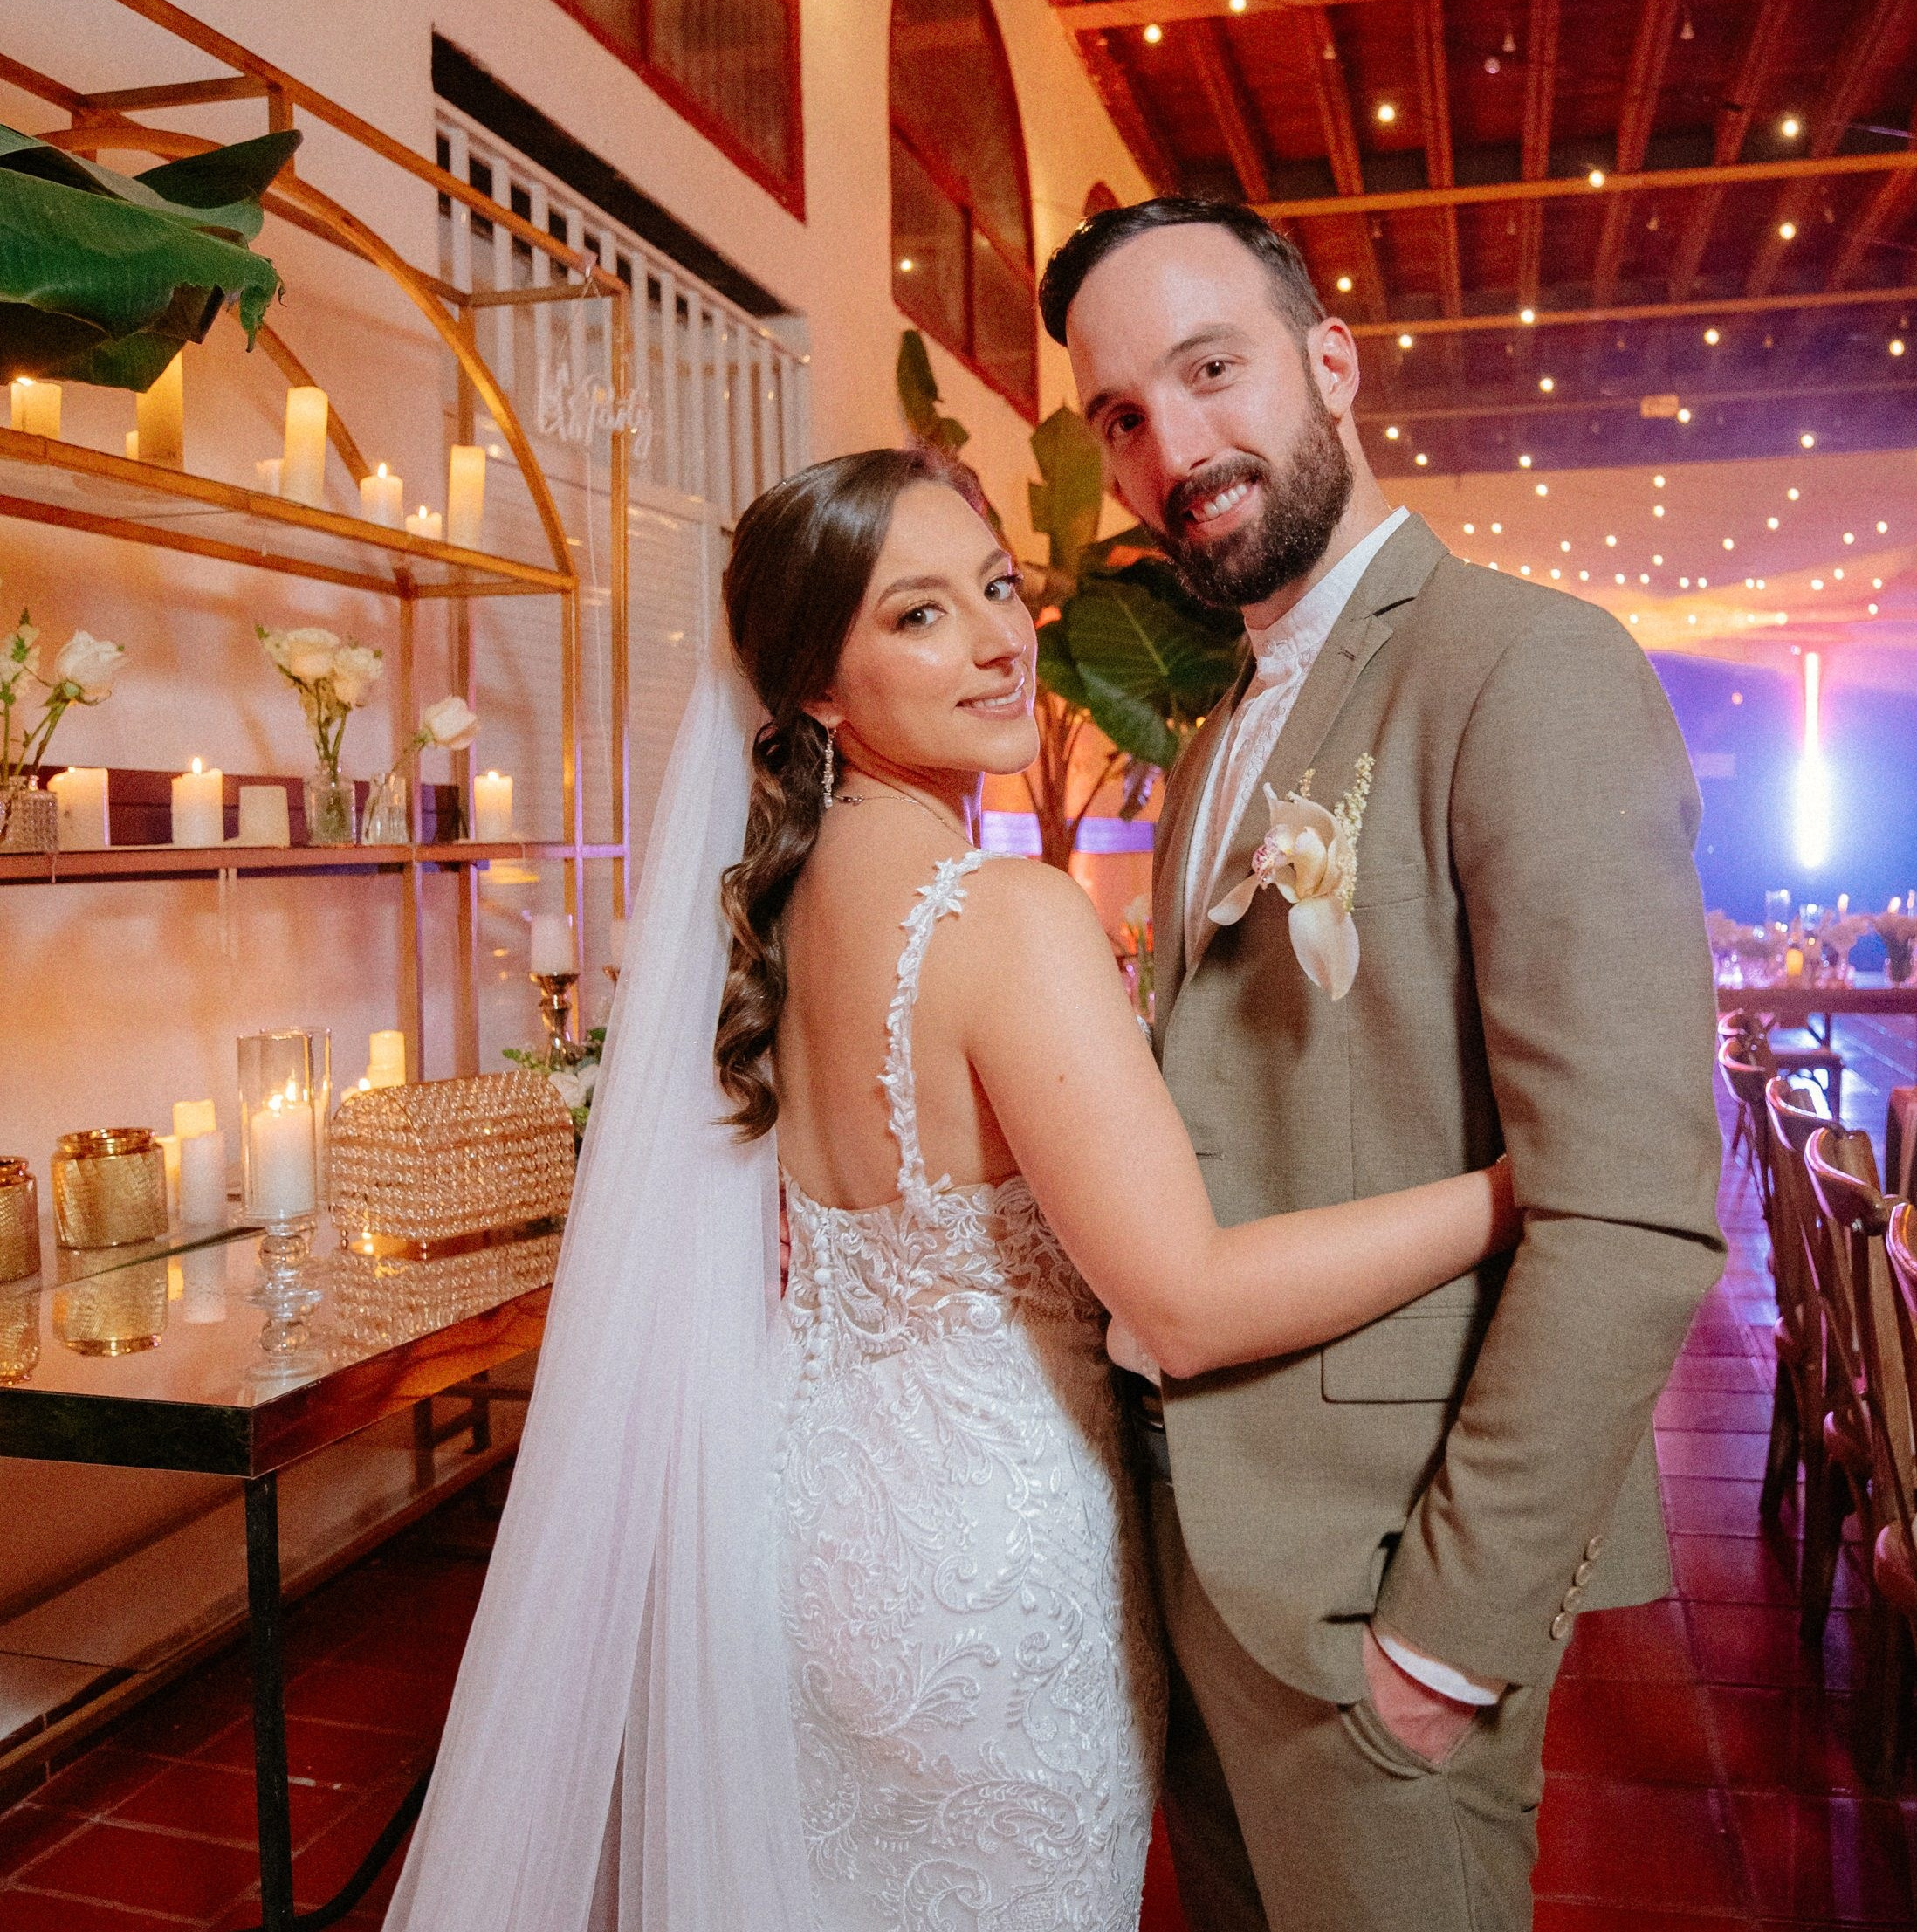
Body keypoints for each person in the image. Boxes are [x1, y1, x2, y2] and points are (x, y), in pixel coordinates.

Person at [383, 441, 1518, 1932]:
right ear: (817, 693)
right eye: (916, 614)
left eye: (992, 587)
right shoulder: (1004, 916)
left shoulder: (771, 911)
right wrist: (1503, 1194)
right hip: (987, 1578)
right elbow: (1180, 1301)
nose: (997, 637)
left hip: (797, 1516)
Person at [1037, 195, 1726, 1932]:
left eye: (1212, 370)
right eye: (1123, 415)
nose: (1173, 444)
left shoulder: (1522, 667)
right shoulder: (1207, 752)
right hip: (1198, 1559)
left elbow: (1632, 1212)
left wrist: (1451, 1629)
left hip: (1371, 1584)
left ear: (1329, 361)